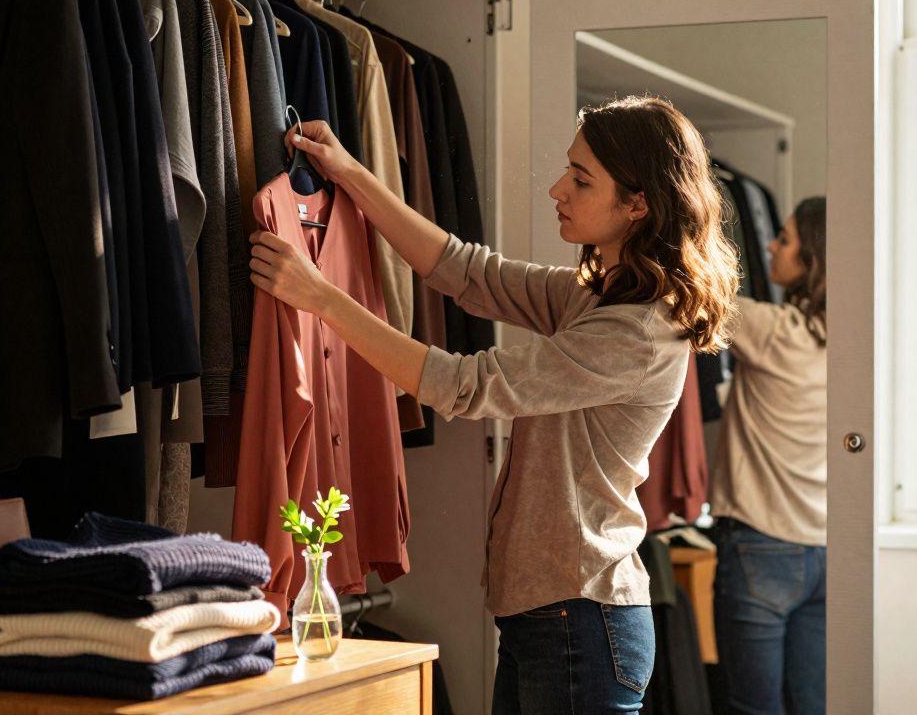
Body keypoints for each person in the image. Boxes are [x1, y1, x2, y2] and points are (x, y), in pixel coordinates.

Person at [248, 95, 740, 713]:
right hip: (554, 614)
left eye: (581, 179)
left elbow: (463, 385)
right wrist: (350, 173)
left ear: (638, 204)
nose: (558, 188)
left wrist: (322, 298)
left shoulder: (634, 333)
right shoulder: (598, 297)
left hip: (580, 620)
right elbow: (464, 272)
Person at [708, 196, 828, 715]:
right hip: (827, 550)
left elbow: (692, 288)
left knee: (751, 709)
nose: (771, 245)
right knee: (813, 706)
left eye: (785, 237)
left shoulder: (772, 330)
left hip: (760, 546)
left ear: (813, 257)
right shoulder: (855, 344)